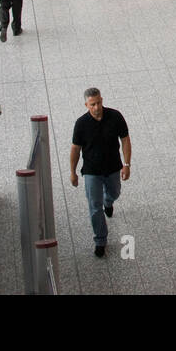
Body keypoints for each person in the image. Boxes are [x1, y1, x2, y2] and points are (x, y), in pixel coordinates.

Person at [68, 88, 131, 258]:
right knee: (94, 207)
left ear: (102, 100)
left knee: (114, 192)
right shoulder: (81, 124)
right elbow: (75, 149)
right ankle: (100, 240)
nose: (97, 107)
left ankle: (108, 202)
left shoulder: (115, 117)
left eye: (99, 103)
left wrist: (126, 164)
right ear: (86, 105)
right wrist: (73, 172)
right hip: (92, 172)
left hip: (112, 168)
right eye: (92, 104)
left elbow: (125, 139)